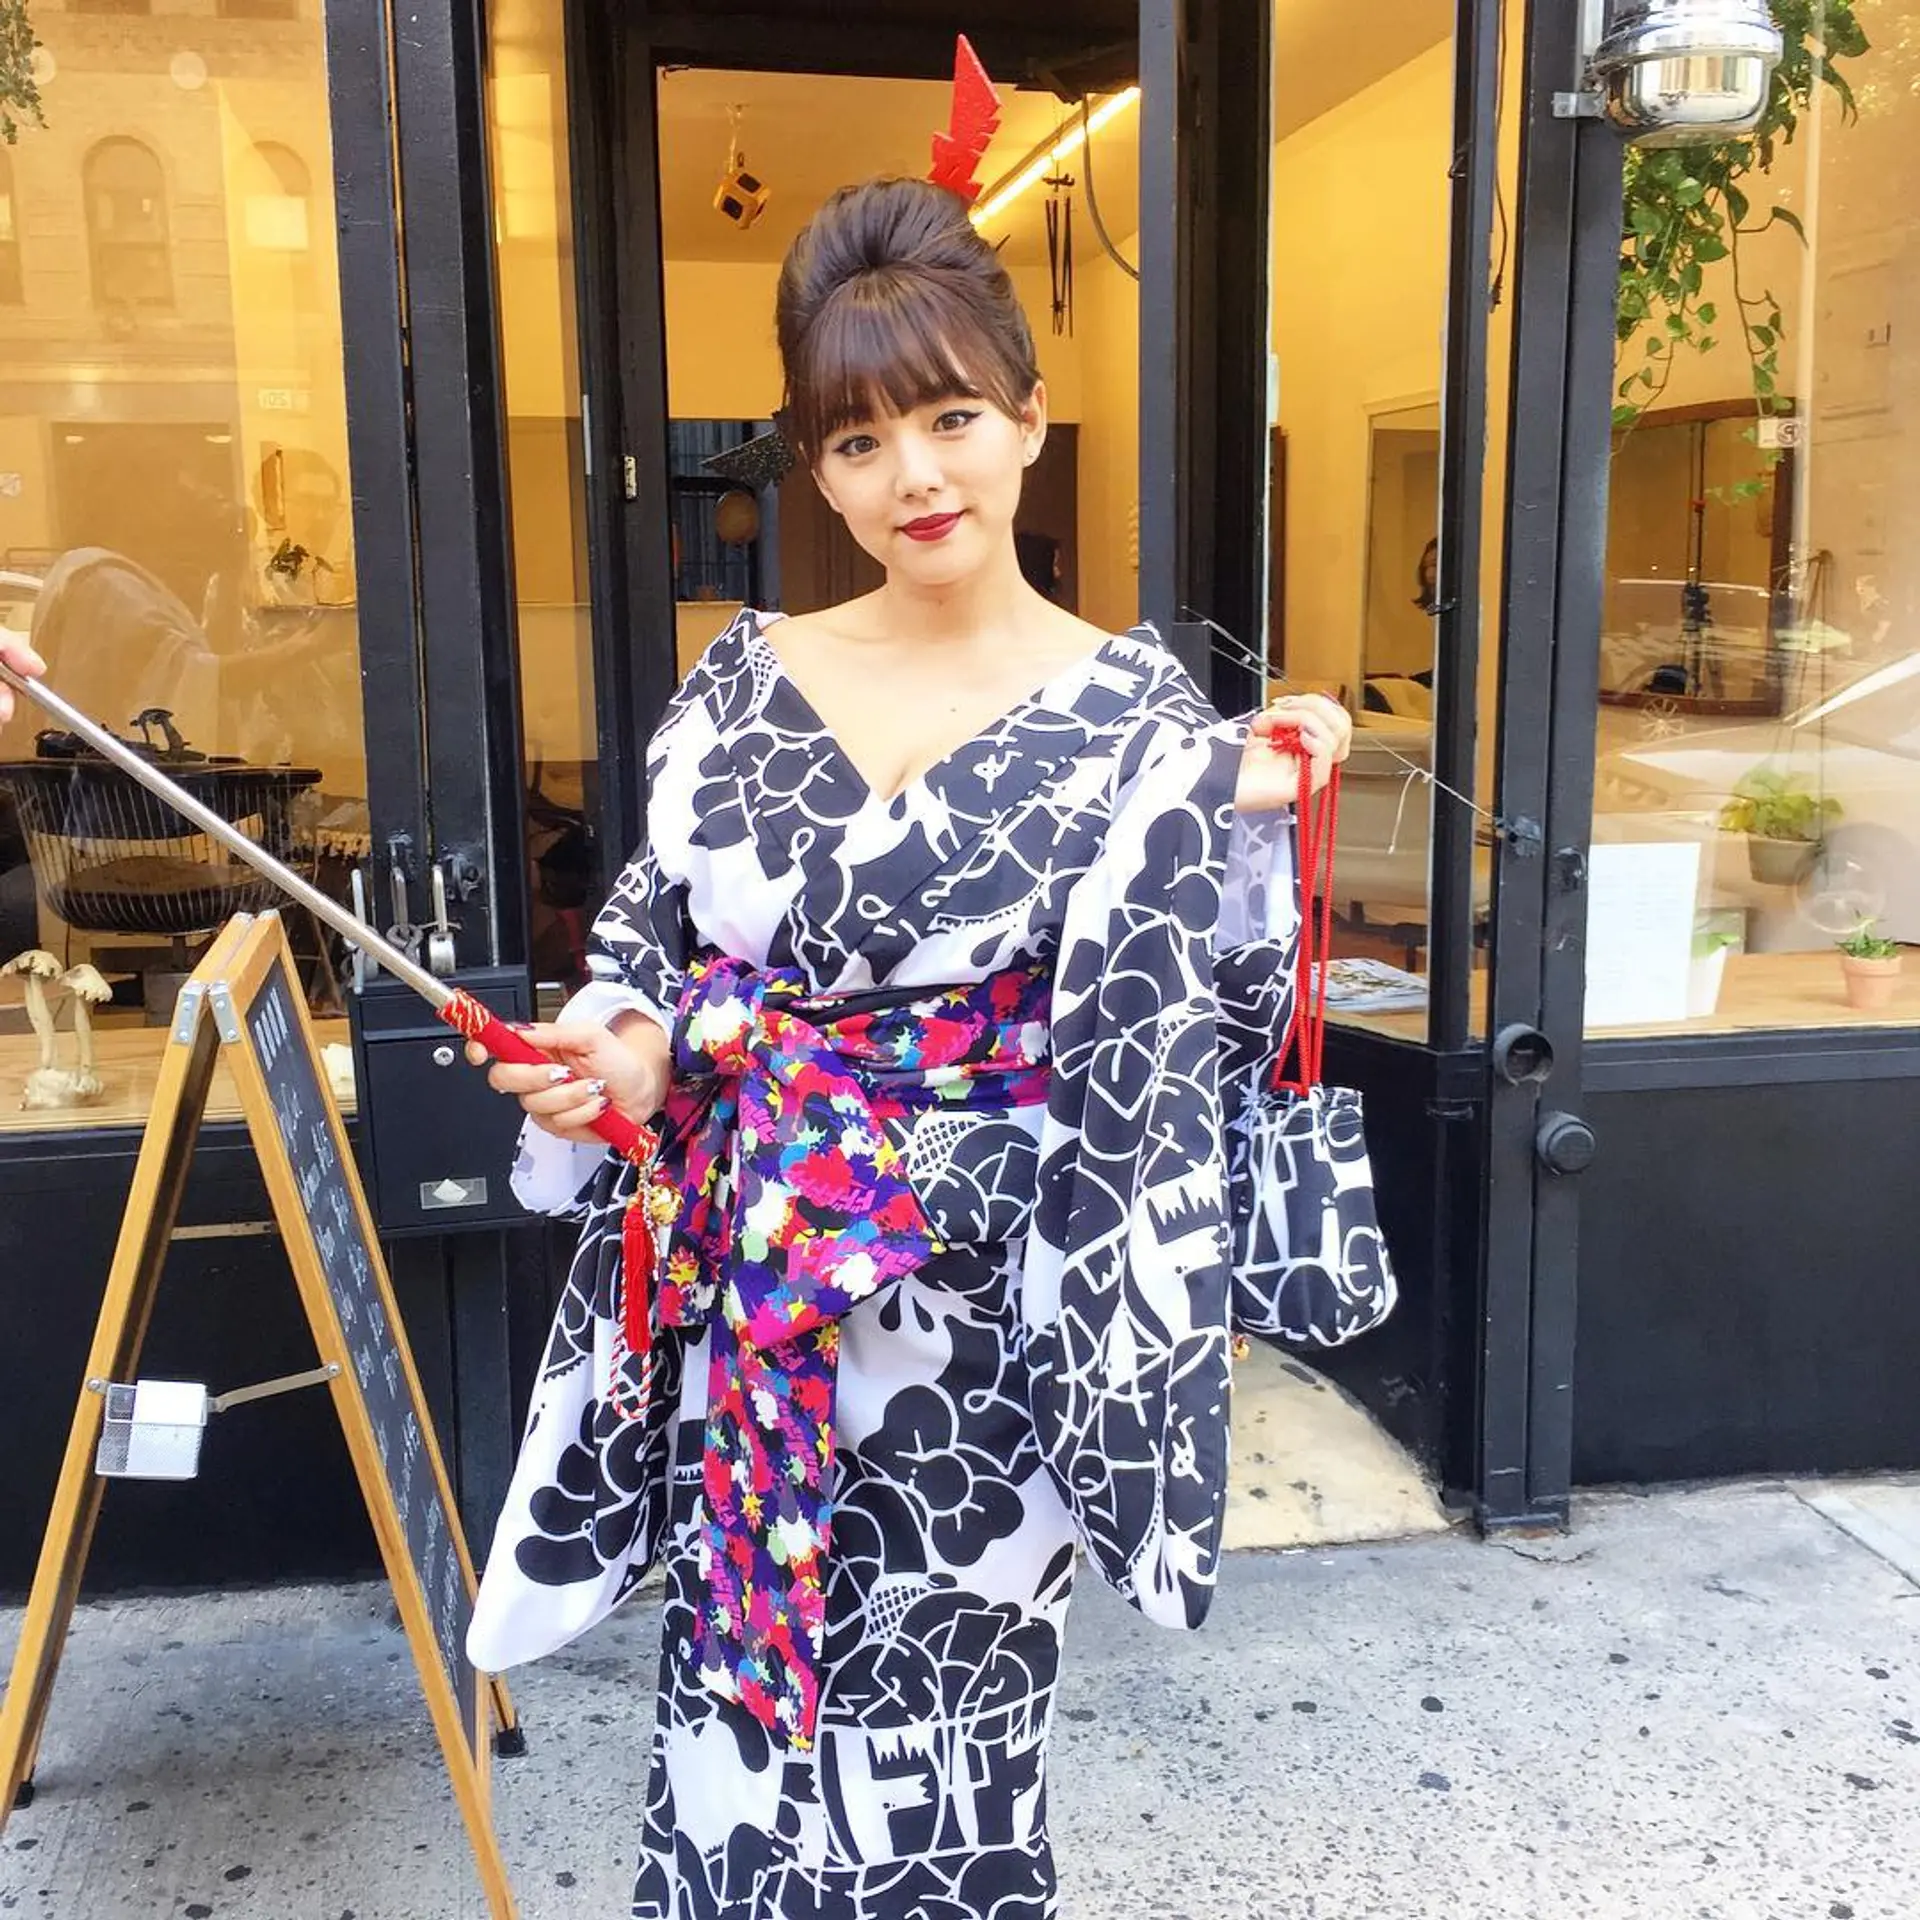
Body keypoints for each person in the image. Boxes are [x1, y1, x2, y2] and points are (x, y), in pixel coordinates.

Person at [465, 176, 1351, 1920]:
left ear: (1029, 419)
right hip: (762, 1274)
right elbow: (653, 921)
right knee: (739, 1700)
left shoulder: (1142, 709)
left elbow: (1198, 1026)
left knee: (944, 1728)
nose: (916, 477)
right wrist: (622, 1045)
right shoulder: (740, 675)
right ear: (817, 467)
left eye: (952, 419)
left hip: (983, 1304)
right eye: (860, 441)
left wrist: (1245, 821)